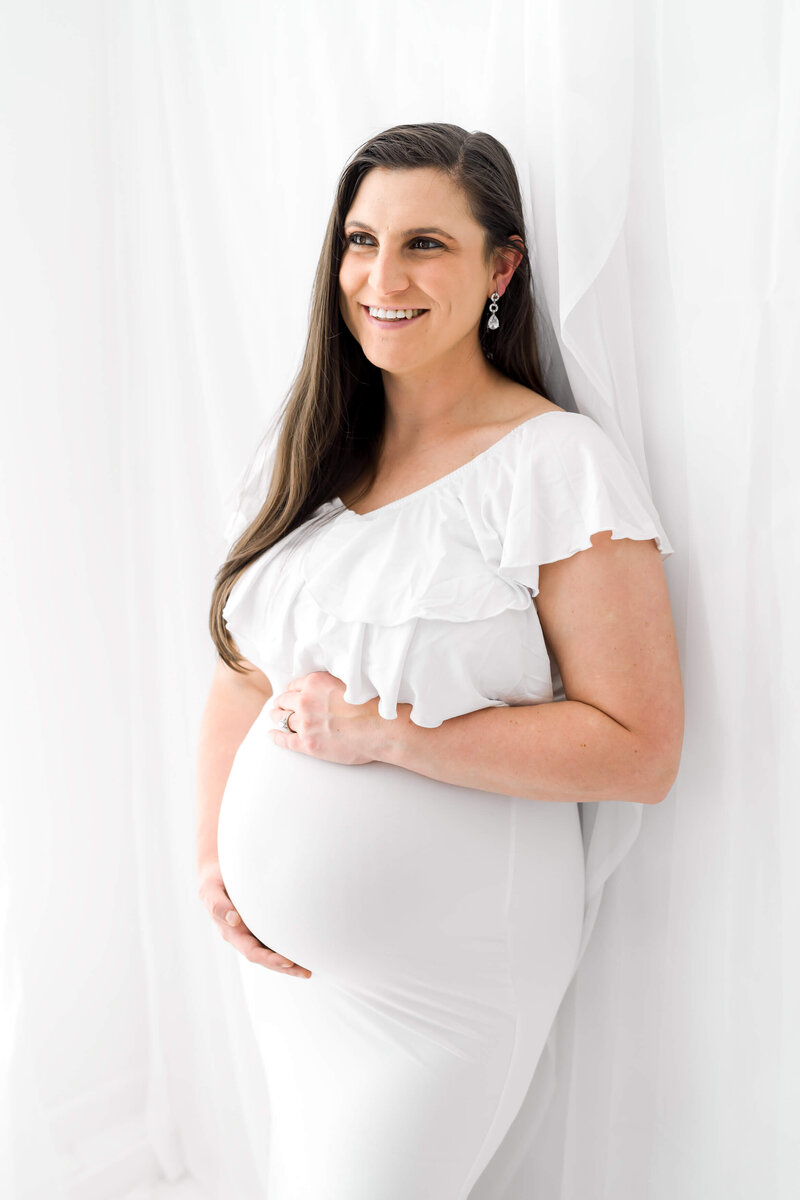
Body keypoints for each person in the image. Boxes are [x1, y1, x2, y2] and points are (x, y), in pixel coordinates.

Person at [197, 122, 683, 1199]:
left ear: (498, 267)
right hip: (292, 979)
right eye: (360, 240)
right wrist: (213, 863)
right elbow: (244, 671)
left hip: (446, 980)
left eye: (425, 244)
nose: (382, 276)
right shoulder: (310, 455)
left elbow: (637, 748)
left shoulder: (553, 463)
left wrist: (390, 739)